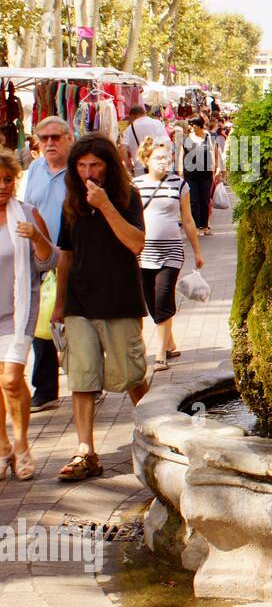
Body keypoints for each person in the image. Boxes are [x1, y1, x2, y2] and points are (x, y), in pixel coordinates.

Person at [50, 135, 150, 482]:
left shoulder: (127, 197)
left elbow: (137, 243)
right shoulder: (71, 202)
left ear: (109, 165)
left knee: (132, 376)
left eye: (95, 164)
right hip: (80, 302)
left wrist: (106, 205)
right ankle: (85, 451)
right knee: (82, 378)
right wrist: (60, 303)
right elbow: (66, 255)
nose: (88, 172)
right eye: (81, 165)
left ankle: (158, 436)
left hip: (119, 300)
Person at [0, 150, 58, 480]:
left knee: (11, 379)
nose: (3, 185)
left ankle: (22, 445)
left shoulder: (26, 213)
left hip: (18, 312)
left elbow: (49, 262)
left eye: (8, 179)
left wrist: (36, 237)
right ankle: (2, 445)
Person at [134, 136, 203, 370]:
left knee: (163, 299)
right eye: (158, 158)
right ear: (146, 159)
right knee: (151, 302)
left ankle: (160, 354)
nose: (164, 162)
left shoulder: (180, 184)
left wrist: (197, 251)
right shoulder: (136, 185)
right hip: (144, 253)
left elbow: (188, 219)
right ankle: (170, 341)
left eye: (167, 158)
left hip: (171, 251)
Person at [18, 116, 72, 412]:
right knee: (42, 322)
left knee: (73, 320)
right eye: (44, 139)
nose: (49, 143)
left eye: (55, 137)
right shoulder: (35, 169)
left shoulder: (77, 169)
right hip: (40, 257)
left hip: (70, 255)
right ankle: (46, 388)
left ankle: (87, 379)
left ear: (67, 138)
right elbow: (27, 209)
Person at [182, 117, 216, 236]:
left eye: (193, 124)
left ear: (200, 125)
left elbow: (212, 153)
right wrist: (180, 174)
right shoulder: (185, 139)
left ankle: (205, 226)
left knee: (205, 200)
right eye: (190, 124)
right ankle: (196, 226)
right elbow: (181, 155)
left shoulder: (207, 138)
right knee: (193, 201)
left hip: (205, 174)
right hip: (190, 174)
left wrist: (215, 170)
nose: (191, 126)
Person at [121, 104, 170, 175]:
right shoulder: (157, 123)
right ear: (144, 113)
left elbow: (122, 149)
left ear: (132, 116)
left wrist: (128, 164)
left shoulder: (129, 129)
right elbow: (167, 143)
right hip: (158, 166)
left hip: (140, 169)